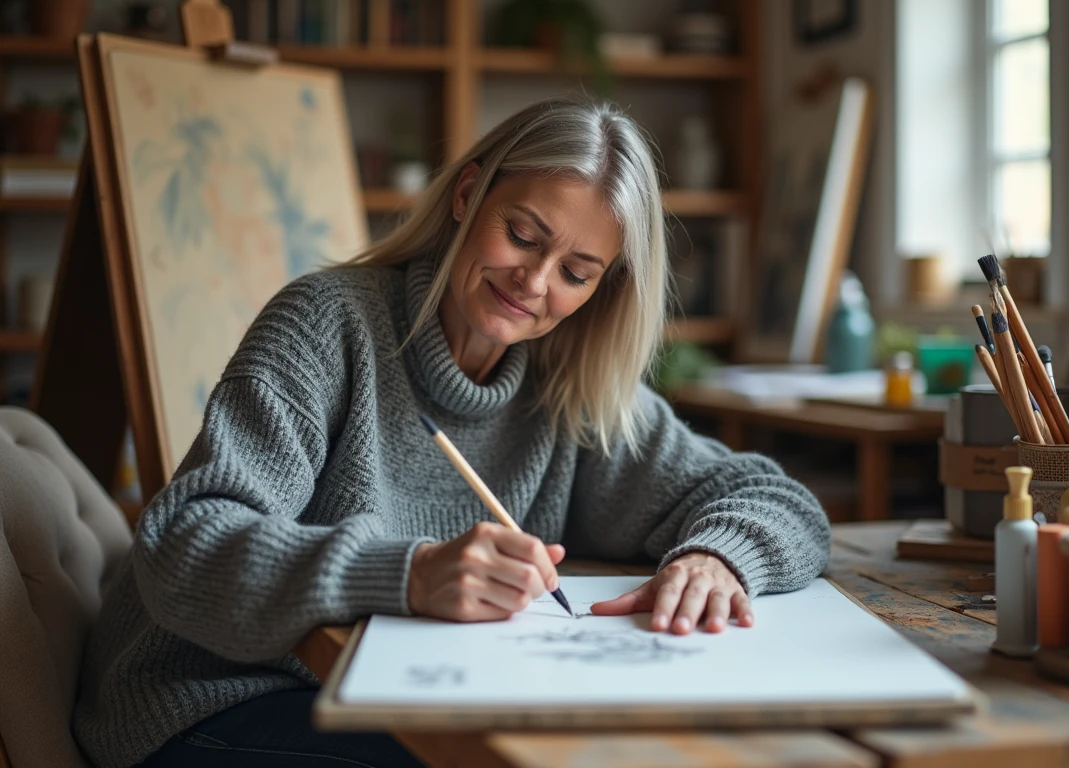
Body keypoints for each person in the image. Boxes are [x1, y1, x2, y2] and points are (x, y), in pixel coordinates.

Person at [72, 96, 831, 768]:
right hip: (210, 700)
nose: (535, 282)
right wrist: (408, 575)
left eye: (576, 272)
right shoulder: (326, 324)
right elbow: (184, 545)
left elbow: (779, 500)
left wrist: (715, 558)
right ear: (469, 194)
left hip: (400, 694)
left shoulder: (569, 386)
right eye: (523, 234)